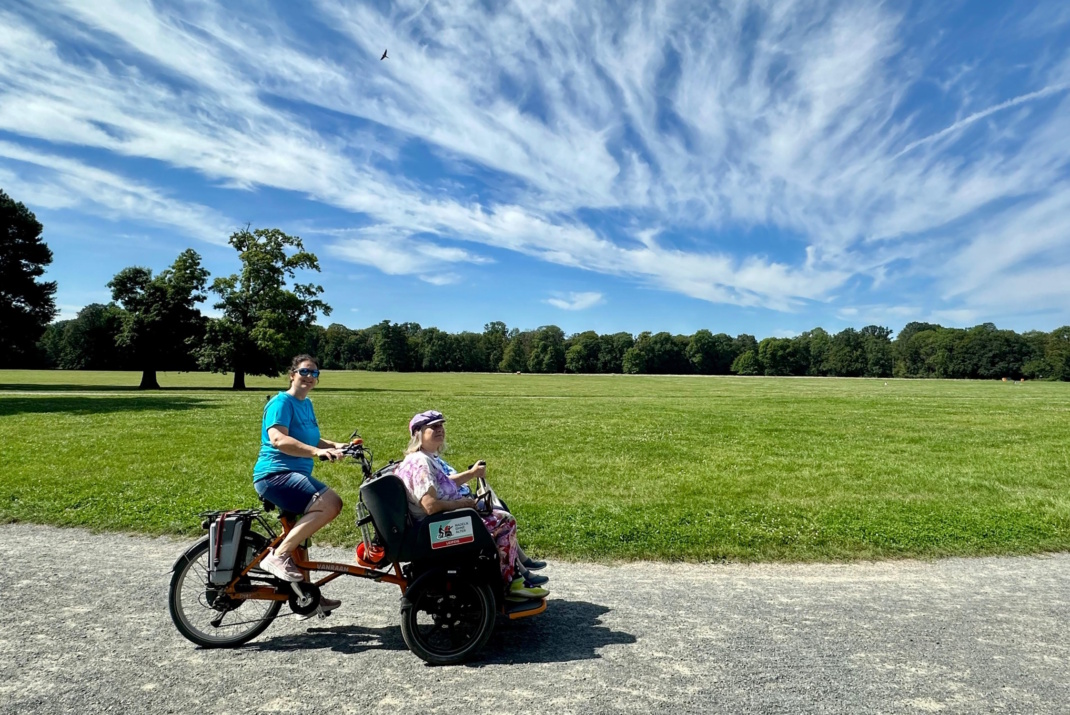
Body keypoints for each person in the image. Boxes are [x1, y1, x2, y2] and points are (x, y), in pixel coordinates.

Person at [396, 410, 549, 601]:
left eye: (441, 425)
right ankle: (512, 582)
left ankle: (515, 570)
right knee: (505, 521)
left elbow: (443, 485)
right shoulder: (421, 464)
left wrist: (472, 477)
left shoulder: (421, 459)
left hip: (434, 525)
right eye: (433, 427)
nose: (439, 429)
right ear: (418, 433)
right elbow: (430, 506)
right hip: (436, 528)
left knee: (495, 511)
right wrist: (464, 503)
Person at [253, 354, 347, 614]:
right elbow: (279, 440)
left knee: (302, 535)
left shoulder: (306, 404)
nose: (309, 377)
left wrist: (337, 445)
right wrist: (316, 453)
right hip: (275, 475)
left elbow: (311, 438)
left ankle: (308, 595)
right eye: (304, 371)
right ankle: (278, 556)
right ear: (292, 374)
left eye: (314, 373)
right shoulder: (280, 402)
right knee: (330, 503)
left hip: (294, 475)